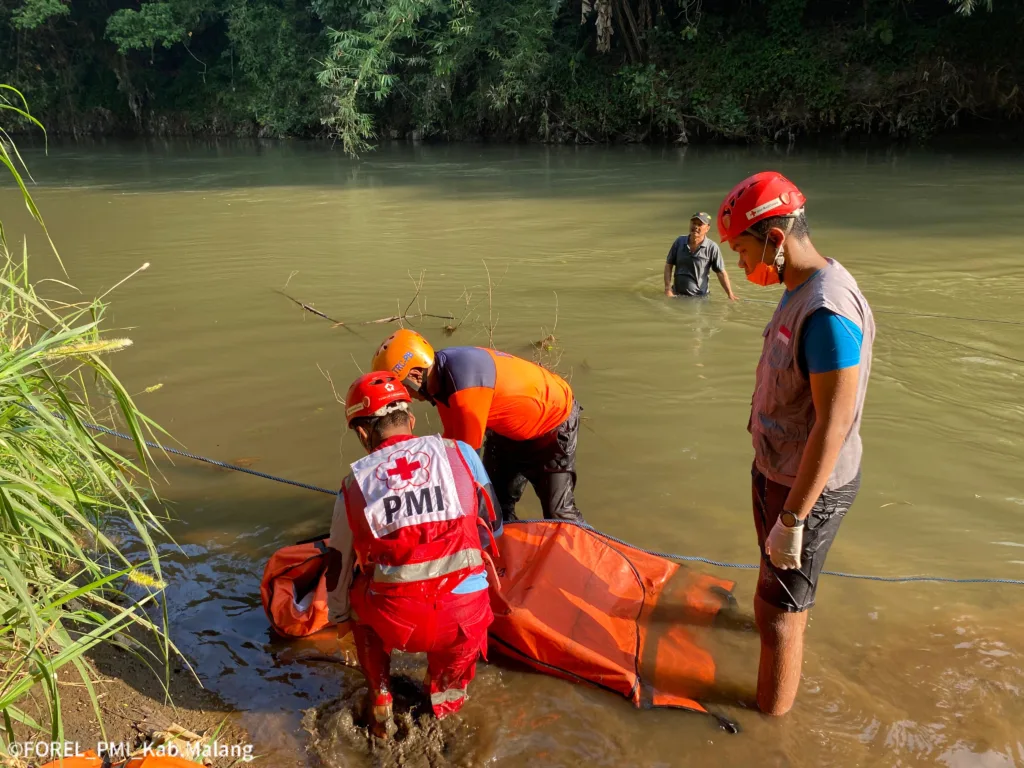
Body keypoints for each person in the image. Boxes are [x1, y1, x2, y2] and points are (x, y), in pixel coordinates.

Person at [716, 171, 874, 716]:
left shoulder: (828, 312)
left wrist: (793, 520)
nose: (738, 264)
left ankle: (770, 729)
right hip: (779, 472)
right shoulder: (798, 289)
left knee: (783, 617)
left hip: (807, 491)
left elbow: (833, 424)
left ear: (776, 241)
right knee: (771, 601)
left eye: (742, 251)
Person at [324, 371, 501, 738]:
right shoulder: (461, 452)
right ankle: (445, 710)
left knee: (355, 597)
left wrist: (340, 619)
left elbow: (337, 563)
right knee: (451, 679)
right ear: (412, 420)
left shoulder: (352, 485)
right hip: (463, 619)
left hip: (398, 621)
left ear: (362, 432)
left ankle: (381, 695)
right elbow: (493, 524)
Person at [371, 329, 584, 523]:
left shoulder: (464, 389)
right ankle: (505, 560)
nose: (410, 398)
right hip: (507, 429)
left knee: (559, 515)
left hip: (552, 424)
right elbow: (451, 445)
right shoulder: (442, 379)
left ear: (416, 376)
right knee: (497, 507)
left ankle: (589, 561)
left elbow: (465, 461)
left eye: (406, 391)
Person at [665, 211, 738, 301]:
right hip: (676, 295)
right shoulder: (679, 242)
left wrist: (730, 294)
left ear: (707, 228)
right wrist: (668, 289)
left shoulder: (712, 247)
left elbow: (721, 272)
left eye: (700, 224)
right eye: (694, 223)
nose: (695, 226)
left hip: (699, 298)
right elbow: (669, 265)